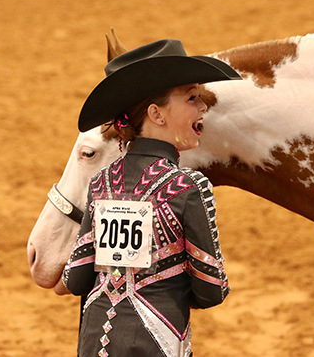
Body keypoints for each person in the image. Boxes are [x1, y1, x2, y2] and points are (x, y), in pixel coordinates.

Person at [62, 38, 242, 357]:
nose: (202, 108)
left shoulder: (101, 183)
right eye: (192, 98)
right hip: (154, 341)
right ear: (157, 114)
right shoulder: (187, 187)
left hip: (94, 340)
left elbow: (76, 279)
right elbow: (212, 290)